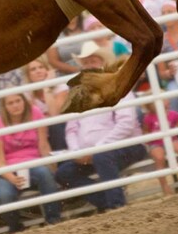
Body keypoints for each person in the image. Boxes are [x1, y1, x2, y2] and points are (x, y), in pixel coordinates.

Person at [57, 80, 148, 212]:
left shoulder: (119, 88)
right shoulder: (78, 95)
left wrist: (97, 149)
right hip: (91, 154)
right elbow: (71, 130)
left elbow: (126, 124)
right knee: (64, 173)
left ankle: (117, 205)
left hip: (127, 145)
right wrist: (77, 152)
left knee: (102, 157)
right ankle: (107, 202)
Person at [0, 94, 61, 232]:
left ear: (24, 101)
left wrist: (52, 166)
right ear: (4, 107)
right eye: (10, 103)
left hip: (34, 162)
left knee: (45, 174)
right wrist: (13, 178)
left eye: (18, 100)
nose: (15, 105)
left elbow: (43, 144)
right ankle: (16, 230)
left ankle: (53, 221)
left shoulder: (35, 113)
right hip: (8, 170)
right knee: (4, 194)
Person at [138, 91, 178, 196]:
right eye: (164, 98)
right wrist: (149, 141)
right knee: (159, 157)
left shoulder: (173, 114)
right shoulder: (148, 118)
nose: (167, 100)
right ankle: (164, 185)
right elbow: (146, 131)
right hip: (156, 143)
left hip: (171, 140)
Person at [22, 55, 69, 150]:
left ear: (47, 70)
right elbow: (32, 118)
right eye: (33, 69)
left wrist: (46, 87)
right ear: (28, 75)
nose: (38, 71)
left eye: (41, 67)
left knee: (55, 126)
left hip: (60, 127)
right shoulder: (26, 92)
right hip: (39, 130)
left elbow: (54, 114)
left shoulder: (60, 86)